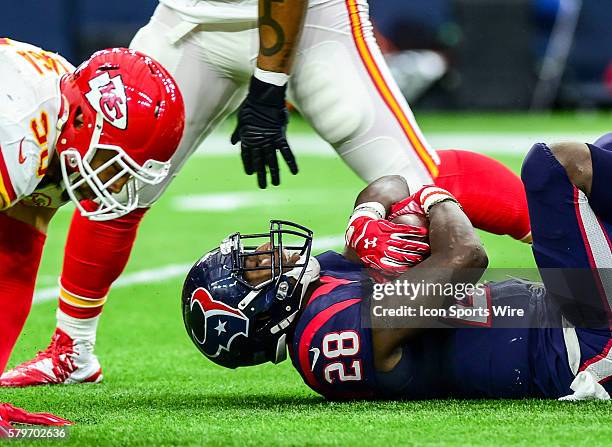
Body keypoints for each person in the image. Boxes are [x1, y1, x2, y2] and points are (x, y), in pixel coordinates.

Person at [1, 0, 531, 387]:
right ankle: (73, 350)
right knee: (116, 166)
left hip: (310, 16)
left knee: (418, 180)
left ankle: (578, 241)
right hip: (189, 18)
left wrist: (269, 85)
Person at [181, 138, 612, 400]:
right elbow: (465, 258)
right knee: (558, 164)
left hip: (567, 308)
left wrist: (367, 213)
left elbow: (389, 182)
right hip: (585, 345)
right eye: (254, 266)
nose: (269, 254)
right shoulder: (328, 332)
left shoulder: (321, 283)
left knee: (604, 148)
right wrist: (433, 198)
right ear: (253, 312)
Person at [0, 38, 184, 426]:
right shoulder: (18, 135)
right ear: (86, 121)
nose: (115, 187)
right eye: (114, 165)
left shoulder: (62, 117)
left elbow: (14, 259)